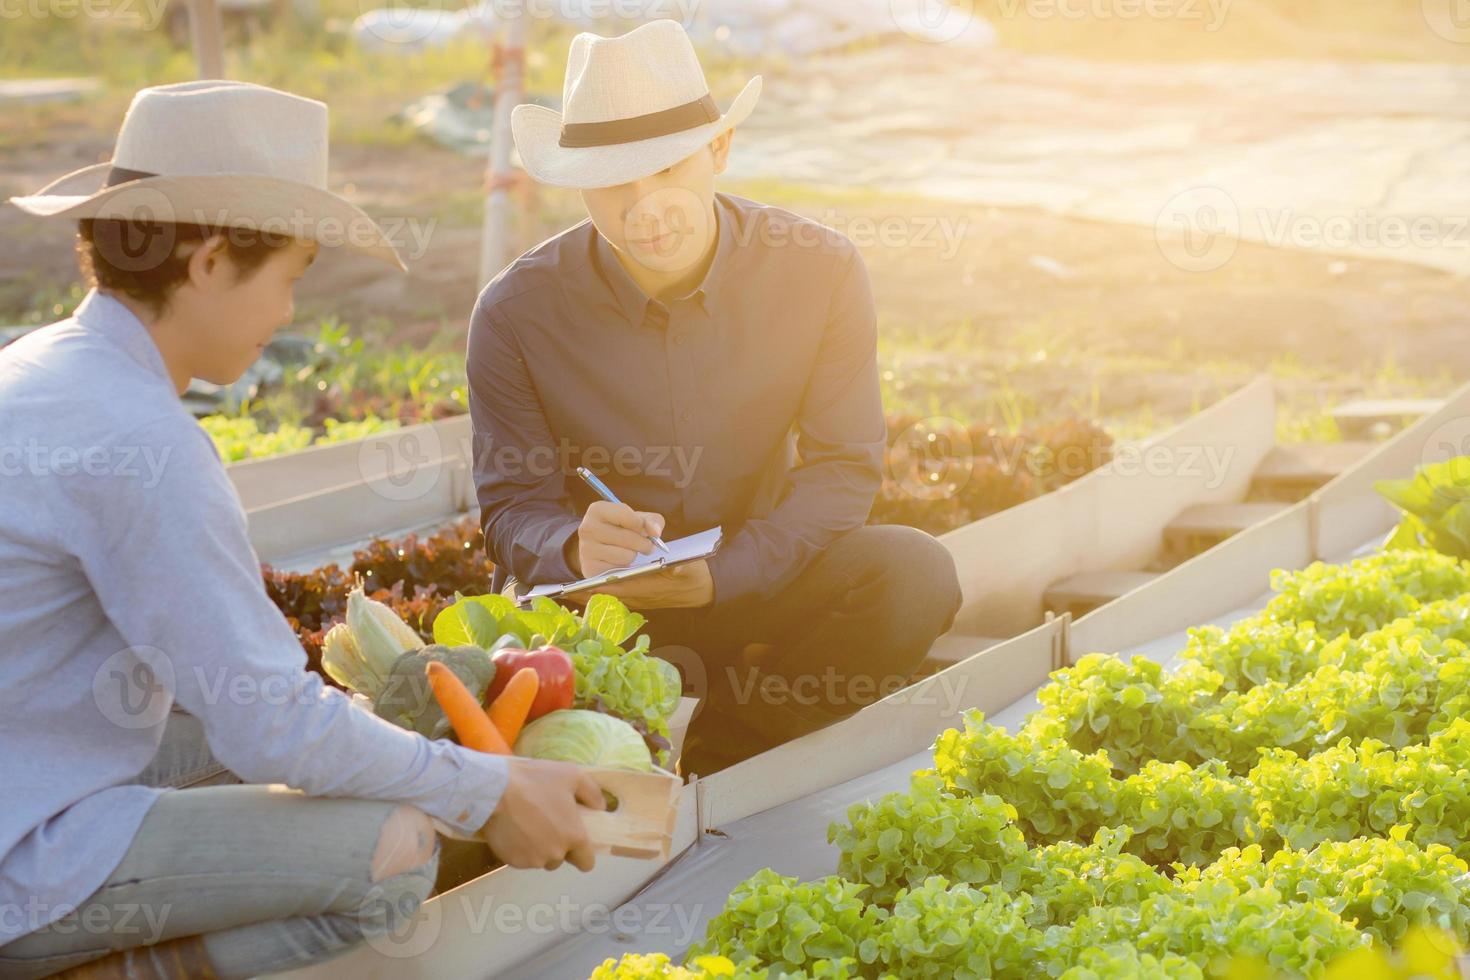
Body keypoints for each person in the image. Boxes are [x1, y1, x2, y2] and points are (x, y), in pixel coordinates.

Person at [0, 81, 603, 980]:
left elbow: (237, 700)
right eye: (288, 278)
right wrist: (489, 787)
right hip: (23, 844)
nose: (289, 314)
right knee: (395, 848)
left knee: (317, 740)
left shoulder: (45, 365)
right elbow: (269, 727)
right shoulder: (145, 441)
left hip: (31, 759)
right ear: (208, 261)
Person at [469, 21, 964, 776]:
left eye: (668, 169)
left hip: (756, 576)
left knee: (914, 575)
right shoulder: (514, 314)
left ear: (719, 151)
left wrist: (725, 574)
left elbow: (844, 470)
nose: (647, 207)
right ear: (576, 184)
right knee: (510, 658)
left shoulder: (818, 272)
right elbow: (511, 511)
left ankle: (728, 751)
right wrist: (571, 545)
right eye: (614, 183)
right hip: (607, 612)